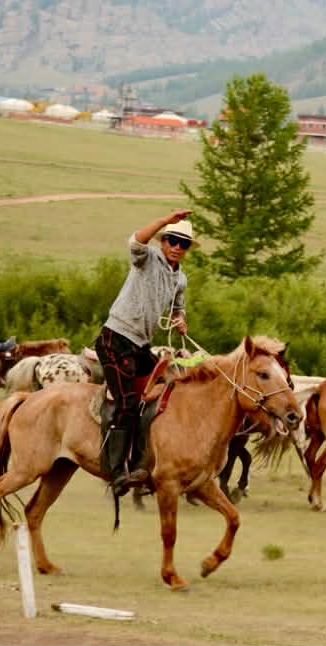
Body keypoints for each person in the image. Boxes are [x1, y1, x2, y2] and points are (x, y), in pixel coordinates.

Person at [95, 209, 194, 496]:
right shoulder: (147, 258)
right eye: (172, 240)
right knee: (127, 402)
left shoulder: (180, 279)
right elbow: (135, 242)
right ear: (163, 241)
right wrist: (165, 220)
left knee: (164, 394)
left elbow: (178, 305)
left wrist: (180, 319)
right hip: (115, 338)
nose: (176, 247)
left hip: (140, 346)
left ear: (187, 249)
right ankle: (115, 474)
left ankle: (141, 462)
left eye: (183, 244)